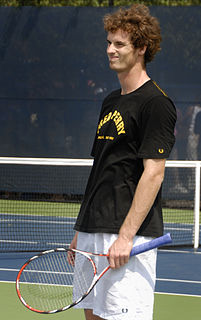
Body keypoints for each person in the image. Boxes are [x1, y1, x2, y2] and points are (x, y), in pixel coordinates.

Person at [70, 4, 177, 320]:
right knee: (92, 315)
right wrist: (81, 229)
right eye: (108, 42)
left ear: (141, 48)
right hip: (93, 227)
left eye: (119, 44)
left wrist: (126, 236)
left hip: (126, 234)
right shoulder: (111, 101)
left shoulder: (156, 103)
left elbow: (154, 174)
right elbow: (102, 168)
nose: (110, 50)